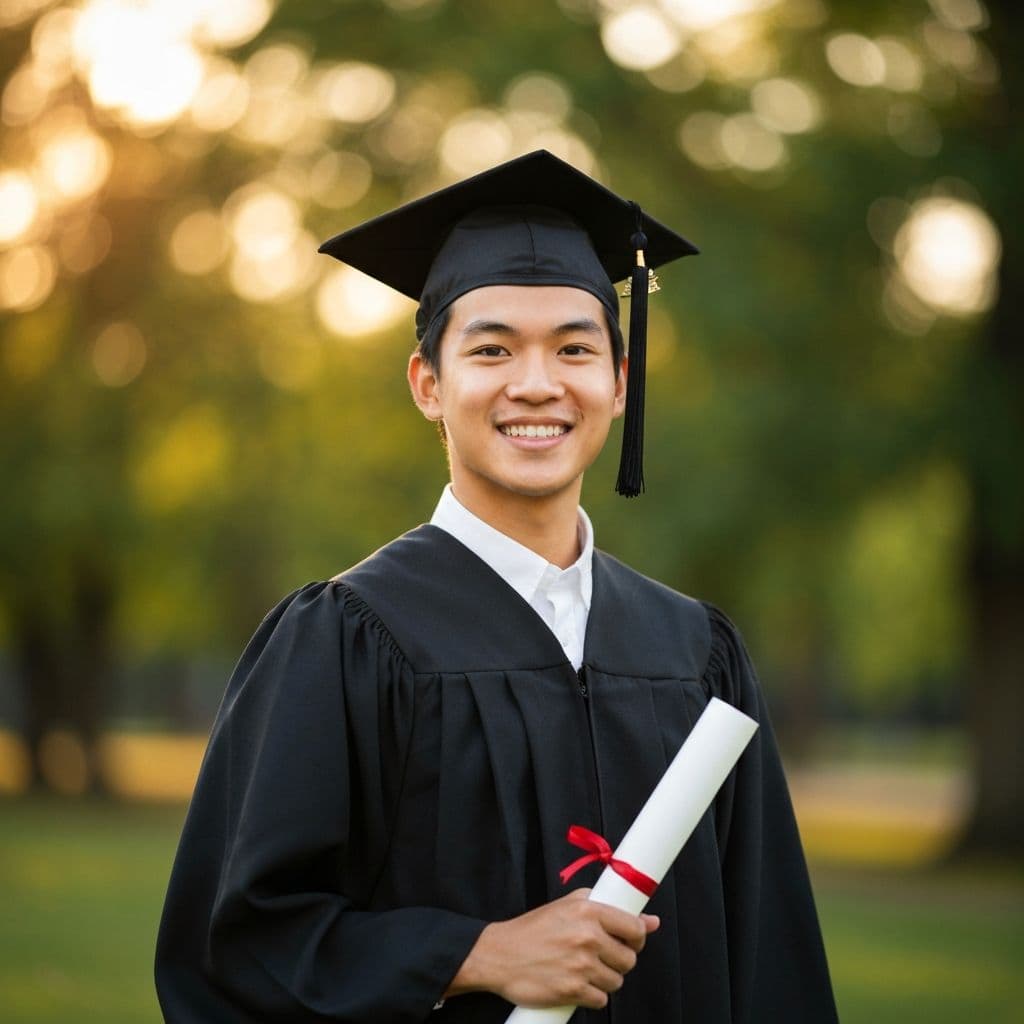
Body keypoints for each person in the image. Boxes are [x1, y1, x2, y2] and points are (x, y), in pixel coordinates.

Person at [155, 151, 838, 1023]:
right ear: (429, 385)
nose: (537, 383)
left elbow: (774, 961)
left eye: (575, 348)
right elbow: (234, 951)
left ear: (619, 384)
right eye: (491, 349)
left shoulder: (694, 651)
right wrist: (471, 955)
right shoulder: (346, 638)